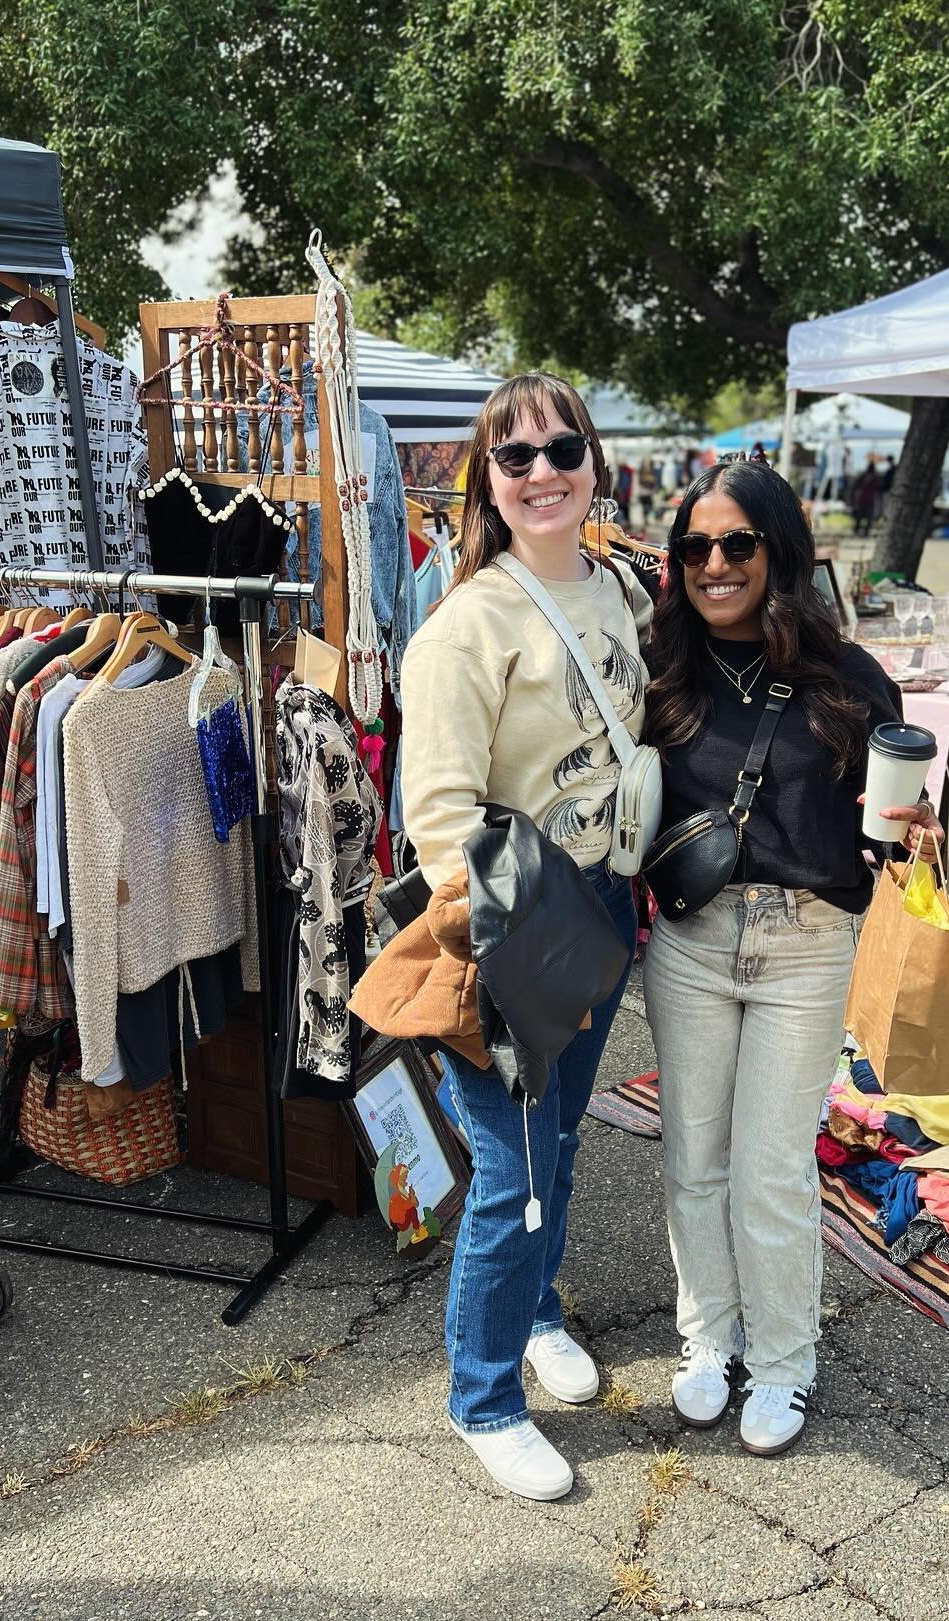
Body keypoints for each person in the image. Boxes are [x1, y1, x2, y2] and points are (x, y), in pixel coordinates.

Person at [641, 457, 941, 1455]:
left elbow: (894, 821)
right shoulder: (657, 666)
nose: (715, 564)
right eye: (695, 547)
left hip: (808, 942)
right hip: (691, 940)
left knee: (770, 1168)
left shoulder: (846, 676)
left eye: (737, 544)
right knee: (695, 1161)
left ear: (778, 550)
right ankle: (706, 1344)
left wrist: (916, 830)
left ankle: (782, 1364)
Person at [395, 372, 654, 1502]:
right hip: (513, 926)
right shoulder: (468, 626)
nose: (542, 471)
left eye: (562, 449)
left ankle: (538, 1309)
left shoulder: (621, 591)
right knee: (507, 1170)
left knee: (559, 1148)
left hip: (606, 906)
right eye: (516, 457)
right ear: (487, 484)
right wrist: (502, 949)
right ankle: (484, 1394)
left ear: (593, 463)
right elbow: (438, 817)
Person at [850, 458, 882, 535]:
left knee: (859, 516)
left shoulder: (863, 476)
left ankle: (857, 530)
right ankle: (866, 532)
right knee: (868, 517)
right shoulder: (875, 478)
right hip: (869, 500)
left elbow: (855, 487)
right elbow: (879, 489)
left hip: (862, 499)